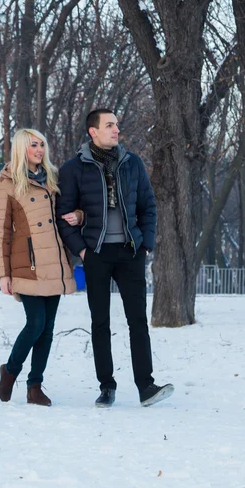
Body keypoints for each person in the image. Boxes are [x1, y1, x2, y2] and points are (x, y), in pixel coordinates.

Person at [56, 108, 174, 407]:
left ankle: (146, 386)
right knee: (100, 323)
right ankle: (107, 386)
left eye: (117, 125)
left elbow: (148, 205)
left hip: (130, 252)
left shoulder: (132, 163)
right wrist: (82, 250)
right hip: (96, 253)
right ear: (92, 131)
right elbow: (62, 215)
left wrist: (145, 243)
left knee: (138, 321)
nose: (116, 130)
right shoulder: (73, 169)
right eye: (109, 125)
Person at [0, 128, 82, 406]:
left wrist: (78, 215)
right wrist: (3, 273)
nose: (40, 150)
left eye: (42, 145)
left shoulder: (53, 179)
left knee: (48, 328)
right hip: (26, 265)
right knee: (36, 323)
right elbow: (1, 232)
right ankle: (10, 370)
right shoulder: (7, 183)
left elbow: (74, 207)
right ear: (22, 148)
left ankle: (35, 387)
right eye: (34, 145)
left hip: (54, 262)